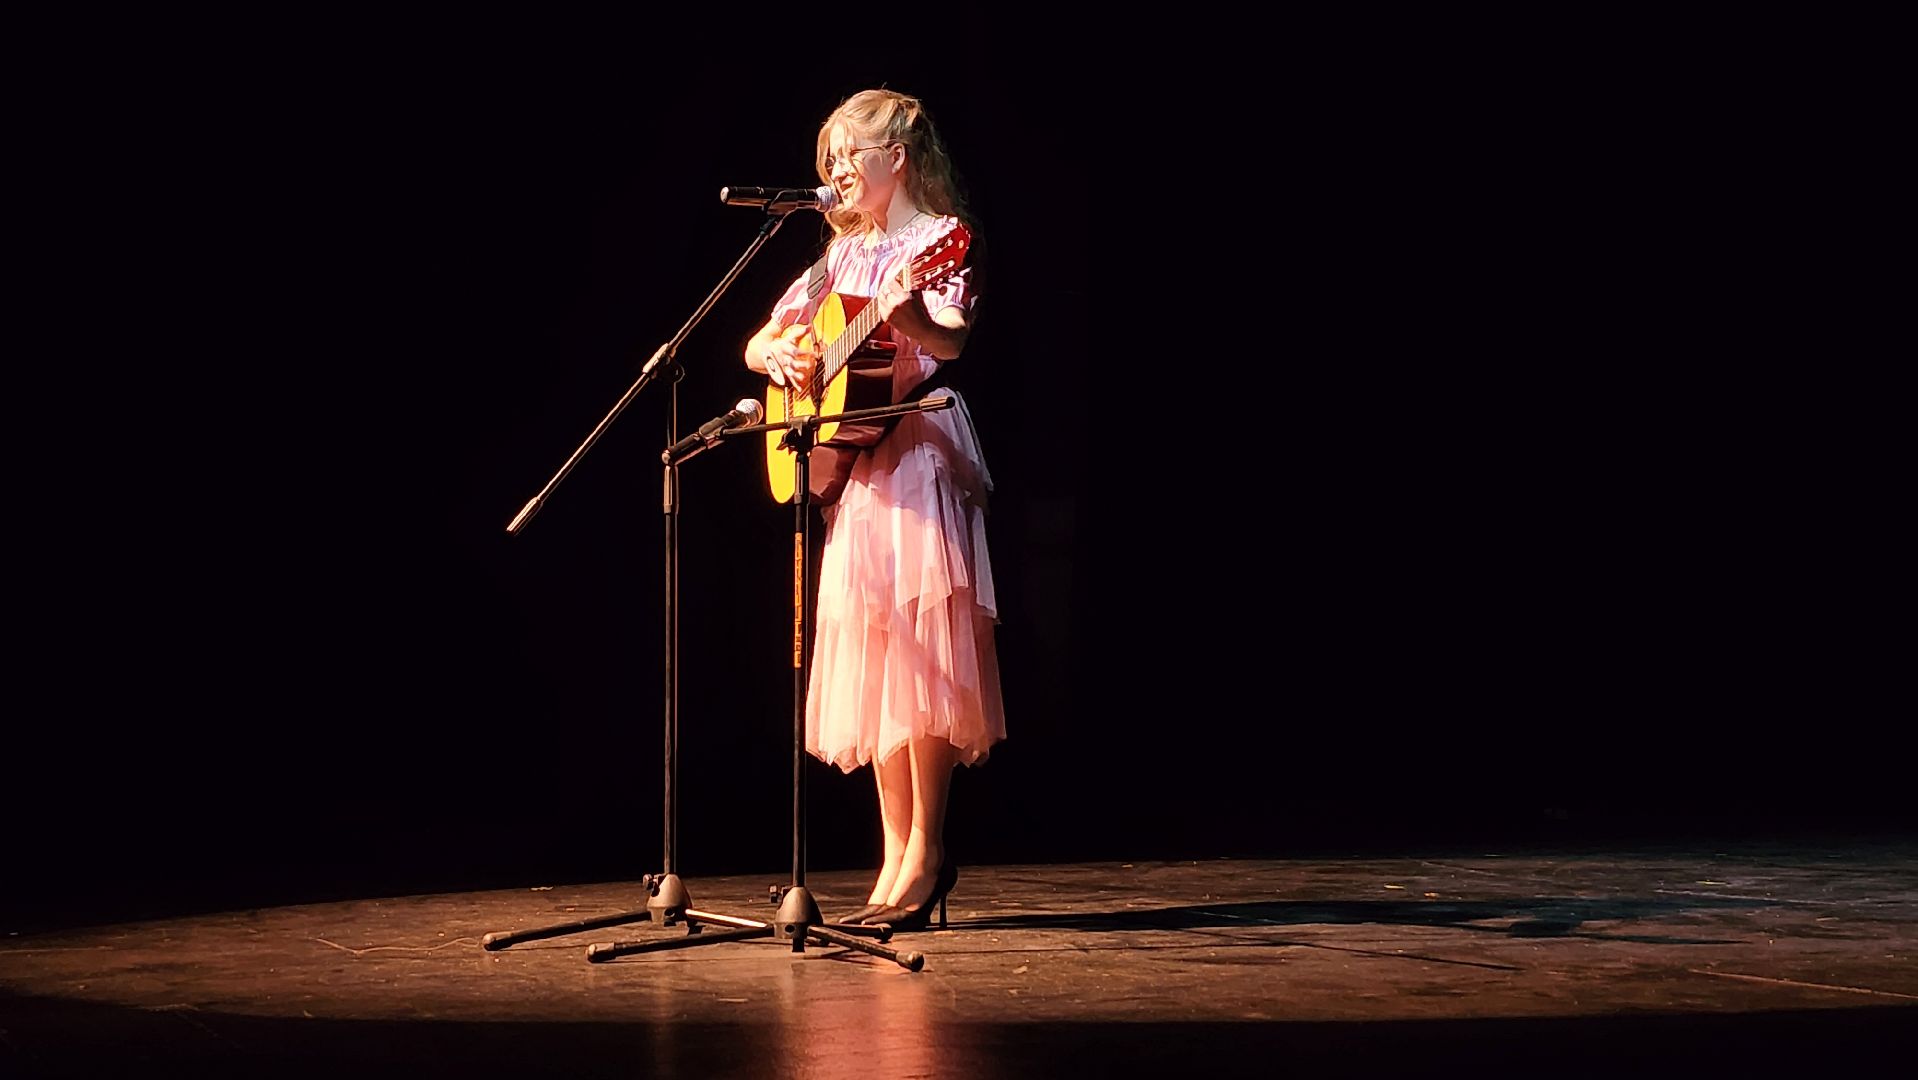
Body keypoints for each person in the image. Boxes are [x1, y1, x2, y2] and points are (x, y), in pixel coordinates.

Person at [742, 88, 1005, 931]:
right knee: (876, 653)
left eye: (853, 154)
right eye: (831, 160)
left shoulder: (937, 243)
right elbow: (760, 339)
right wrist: (774, 350)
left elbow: (953, 338)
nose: (839, 171)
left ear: (902, 157)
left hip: (918, 448)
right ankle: (893, 851)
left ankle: (929, 849)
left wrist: (914, 315)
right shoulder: (835, 260)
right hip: (854, 464)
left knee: (924, 651)